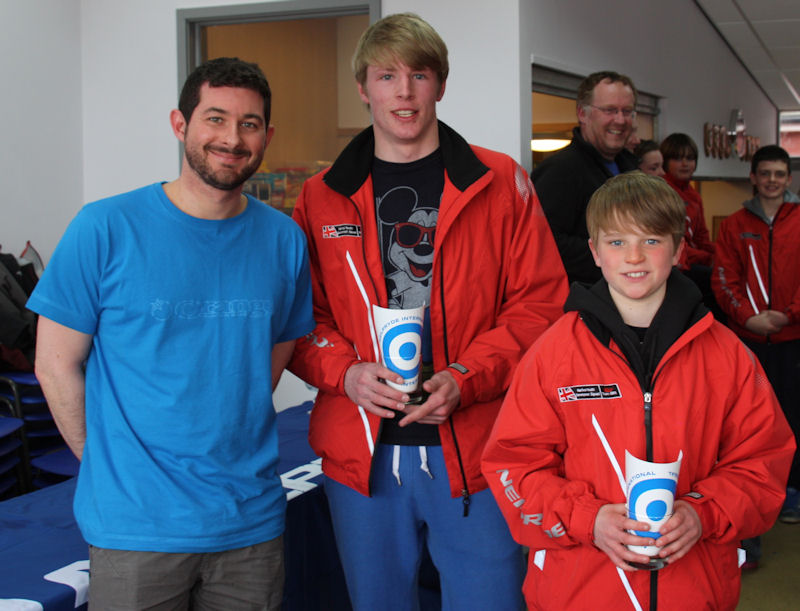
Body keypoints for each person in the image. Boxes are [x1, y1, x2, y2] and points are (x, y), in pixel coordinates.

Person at [287, 13, 568, 611]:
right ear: (363, 88)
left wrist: (467, 378)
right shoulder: (320, 195)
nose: (404, 92)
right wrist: (347, 375)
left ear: (440, 84)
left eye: (419, 74)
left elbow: (539, 307)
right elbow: (300, 319)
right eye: (386, 76)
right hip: (361, 454)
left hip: (478, 449)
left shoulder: (499, 181)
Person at [28, 57, 315, 609]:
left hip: (250, 524)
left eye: (249, 124)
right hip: (137, 530)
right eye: (215, 118)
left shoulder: (284, 240)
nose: (232, 138)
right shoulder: (105, 227)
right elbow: (54, 363)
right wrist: (106, 464)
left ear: (267, 135)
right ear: (180, 124)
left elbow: (275, 351)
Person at [482, 172, 794, 610]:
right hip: (579, 593)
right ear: (594, 251)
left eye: (651, 240)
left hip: (693, 592)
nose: (633, 256)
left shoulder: (727, 356)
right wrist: (588, 519)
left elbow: (763, 464)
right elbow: (513, 465)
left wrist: (702, 513)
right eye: (616, 242)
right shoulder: (553, 353)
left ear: (679, 249)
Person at [712, 145, 800, 526]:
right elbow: (723, 278)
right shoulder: (734, 224)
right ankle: (753, 496)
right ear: (753, 177)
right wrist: (748, 319)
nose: (772, 180)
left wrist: (788, 316)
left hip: (792, 339)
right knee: (748, 422)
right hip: (747, 341)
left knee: (793, 418)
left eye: (779, 174)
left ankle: (792, 492)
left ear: (789, 178)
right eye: (765, 173)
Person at [533, 70, 639, 285]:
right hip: (582, 298)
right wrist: (615, 257)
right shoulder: (559, 171)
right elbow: (544, 244)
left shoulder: (632, 168)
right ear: (583, 113)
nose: (620, 120)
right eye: (610, 110)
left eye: (627, 111)